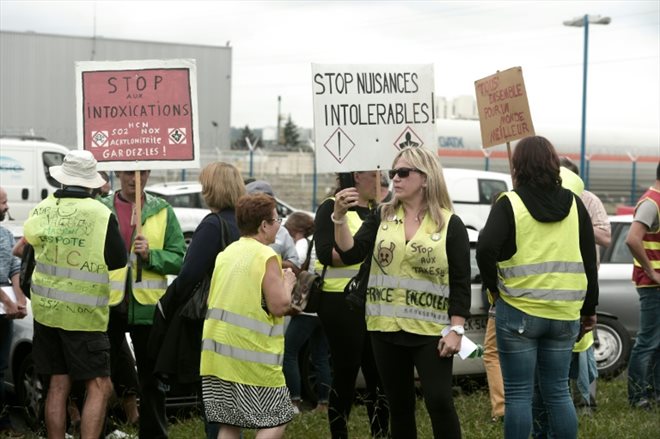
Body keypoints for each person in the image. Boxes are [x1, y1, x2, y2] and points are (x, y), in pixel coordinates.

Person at [333, 147, 471, 439]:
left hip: (431, 329)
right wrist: (339, 218)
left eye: (403, 172)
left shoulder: (449, 224)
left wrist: (456, 328)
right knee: (400, 406)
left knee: (439, 402)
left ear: (425, 178)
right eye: (392, 173)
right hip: (384, 328)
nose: (394, 178)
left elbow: (460, 281)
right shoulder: (381, 216)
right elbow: (350, 253)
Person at [476, 136, 598, 439]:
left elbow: (485, 249)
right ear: (552, 164)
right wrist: (589, 309)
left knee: (518, 394)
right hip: (565, 315)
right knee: (558, 392)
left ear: (517, 166)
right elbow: (588, 259)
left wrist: (495, 290)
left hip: (518, 310)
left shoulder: (509, 203)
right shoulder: (575, 205)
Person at [22, 150, 127, 439]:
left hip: (46, 312)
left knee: (57, 384)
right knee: (98, 385)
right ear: (92, 183)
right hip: (84, 315)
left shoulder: (43, 208)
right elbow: (118, 260)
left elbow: (29, 245)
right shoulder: (100, 214)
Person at [150, 161, 243, 439]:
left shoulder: (212, 225)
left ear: (213, 189)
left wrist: (168, 303)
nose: (202, 190)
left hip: (211, 318)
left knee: (214, 398)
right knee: (230, 399)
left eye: (205, 185)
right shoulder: (243, 222)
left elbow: (189, 273)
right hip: (240, 316)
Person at [200, 193, 297, 439]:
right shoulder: (266, 256)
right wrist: (288, 283)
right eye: (276, 220)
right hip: (252, 357)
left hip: (216, 356)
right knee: (278, 415)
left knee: (230, 423)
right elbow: (279, 306)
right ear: (264, 225)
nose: (279, 225)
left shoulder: (226, 254)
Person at [100, 169, 186, 439]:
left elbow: (179, 258)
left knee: (151, 380)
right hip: (108, 304)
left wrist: (151, 255)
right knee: (100, 377)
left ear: (148, 174)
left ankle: (154, 435)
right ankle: (97, 431)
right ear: (117, 173)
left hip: (147, 306)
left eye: (140, 174)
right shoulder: (100, 208)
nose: (133, 179)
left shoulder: (163, 210)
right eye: (127, 173)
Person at [315, 171, 389, 439]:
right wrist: (359, 251)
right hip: (339, 301)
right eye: (377, 174)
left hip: (375, 301)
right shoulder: (331, 207)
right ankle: (339, 432)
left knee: (378, 374)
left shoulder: (378, 210)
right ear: (358, 176)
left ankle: (380, 433)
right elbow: (325, 253)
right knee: (346, 372)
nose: (384, 180)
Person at [560, 159, 611, 411]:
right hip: (552, 285)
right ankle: (560, 400)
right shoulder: (539, 197)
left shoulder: (589, 200)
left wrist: (576, 220)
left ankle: (586, 401)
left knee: (584, 344)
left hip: (582, 284)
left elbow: (605, 237)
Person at [282, 212, 332, 413]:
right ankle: (323, 403)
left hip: (307, 309)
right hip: (324, 308)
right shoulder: (323, 241)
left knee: (289, 352)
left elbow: (295, 266)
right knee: (320, 356)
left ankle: (294, 401)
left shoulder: (303, 243)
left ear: (296, 231)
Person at [625, 161, 660, 410]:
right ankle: (638, 397)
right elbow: (632, 239)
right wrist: (652, 272)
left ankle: (654, 393)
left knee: (656, 342)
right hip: (653, 285)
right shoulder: (652, 203)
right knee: (647, 341)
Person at [0, 186, 28, 437]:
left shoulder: (7, 235)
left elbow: (14, 268)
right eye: (3, 202)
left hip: (3, 317)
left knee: (0, 369)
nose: (6, 207)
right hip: (3, 308)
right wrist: (7, 302)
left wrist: (19, 299)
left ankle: (4, 423)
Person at [246, 180, 301, 272]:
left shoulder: (281, 232)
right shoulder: (239, 230)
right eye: (255, 203)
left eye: (265, 203)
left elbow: (295, 267)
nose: (261, 207)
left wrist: (271, 261)